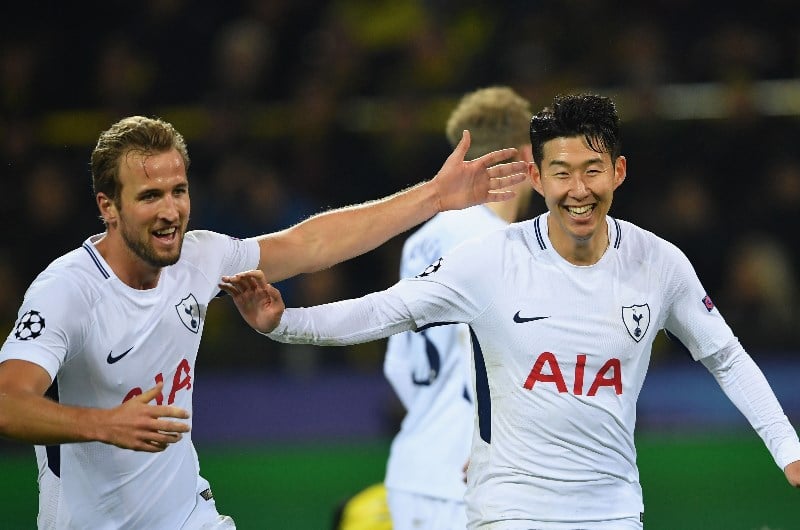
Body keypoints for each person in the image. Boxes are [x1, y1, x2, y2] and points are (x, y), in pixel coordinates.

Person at [220, 94, 800, 529]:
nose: (578, 189)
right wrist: (285, 323)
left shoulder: (660, 263)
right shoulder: (489, 260)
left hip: (614, 508)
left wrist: (789, 450)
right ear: (537, 176)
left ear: (618, 173)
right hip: (509, 508)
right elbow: (384, 312)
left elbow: (725, 355)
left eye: (593, 171)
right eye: (562, 173)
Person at [0, 115, 528, 530]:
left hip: (187, 517)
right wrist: (102, 424)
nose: (170, 210)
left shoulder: (199, 259)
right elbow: (7, 401)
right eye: (149, 196)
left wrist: (435, 196)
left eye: (178, 191)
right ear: (107, 207)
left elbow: (309, 243)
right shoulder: (67, 289)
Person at [381, 86, 534, 530]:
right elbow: (491, 351)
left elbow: (398, 366)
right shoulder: (498, 245)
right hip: (472, 477)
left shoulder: (420, 241)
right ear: (528, 156)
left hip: (415, 468)